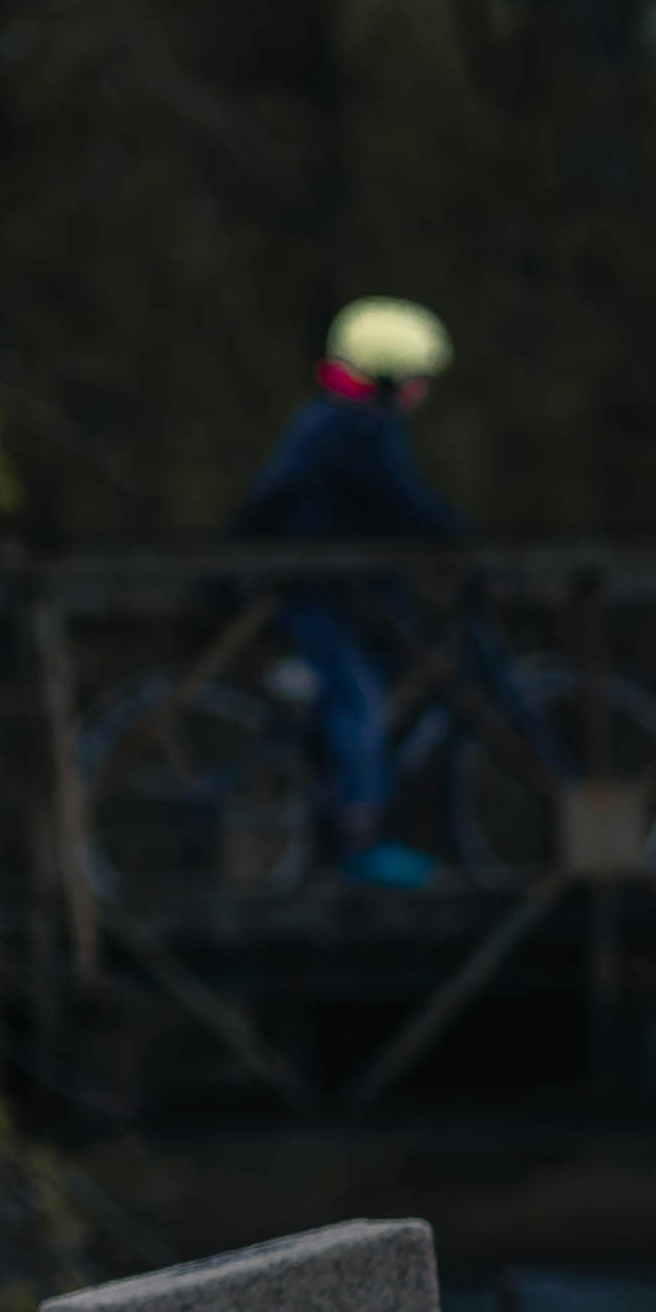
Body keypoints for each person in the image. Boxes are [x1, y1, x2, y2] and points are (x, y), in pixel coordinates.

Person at [233, 296, 473, 886]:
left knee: (370, 683)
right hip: (315, 597)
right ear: (392, 378)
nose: (422, 392)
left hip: (332, 593)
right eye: (417, 379)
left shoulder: (333, 421)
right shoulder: (355, 428)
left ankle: (340, 815)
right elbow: (402, 500)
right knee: (359, 701)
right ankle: (360, 843)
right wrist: (461, 540)